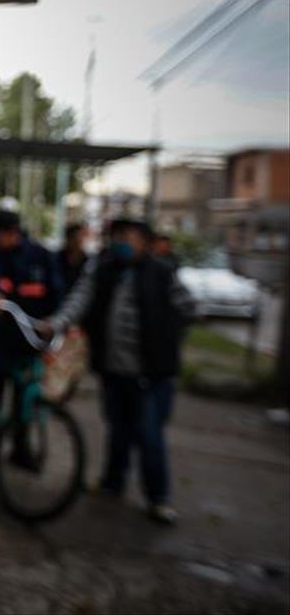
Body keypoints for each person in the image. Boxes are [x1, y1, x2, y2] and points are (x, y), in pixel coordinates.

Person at [41, 218, 196, 525]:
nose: (122, 241)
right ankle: (113, 483)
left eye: (130, 236)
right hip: (114, 371)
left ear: (145, 241)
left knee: (149, 436)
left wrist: (168, 341)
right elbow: (80, 299)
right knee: (118, 430)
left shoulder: (162, 273)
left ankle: (158, 498)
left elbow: (189, 308)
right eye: (118, 235)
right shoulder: (104, 268)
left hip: (150, 374)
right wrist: (56, 322)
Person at [0, 210, 64, 461]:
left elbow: (57, 292)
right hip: (0, 337)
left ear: (12, 233)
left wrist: (56, 322)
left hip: (31, 339)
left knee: (25, 395)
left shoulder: (41, 256)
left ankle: (21, 448)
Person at [59, 222, 90, 288]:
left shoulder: (88, 261)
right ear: (68, 239)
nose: (78, 242)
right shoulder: (57, 258)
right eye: (74, 238)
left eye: (81, 238)